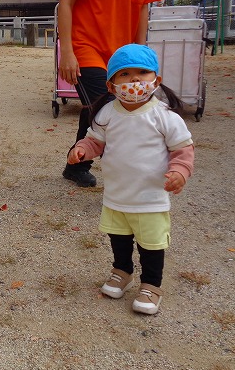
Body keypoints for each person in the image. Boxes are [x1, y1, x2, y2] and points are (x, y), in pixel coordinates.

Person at [68, 44, 194, 315]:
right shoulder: (107, 113)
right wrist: (81, 150)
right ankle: (122, 271)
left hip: (150, 198)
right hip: (117, 195)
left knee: (151, 244)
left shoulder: (165, 116)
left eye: (142, 73)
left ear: (156, 81)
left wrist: (180, 171)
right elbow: (95, 141)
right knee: (119, 238)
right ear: (111, 85)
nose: (135, 79)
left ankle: (151, 285)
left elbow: (182, 150)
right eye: (124, 74)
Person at [57, 0, 163, 187]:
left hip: (123, 53)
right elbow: (66, 3)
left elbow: (143, 7)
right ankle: (129, 178)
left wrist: (140, 54)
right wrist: (67, 52)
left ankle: (77, 163)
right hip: (86, 46)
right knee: (112, 108)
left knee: (97, 108)